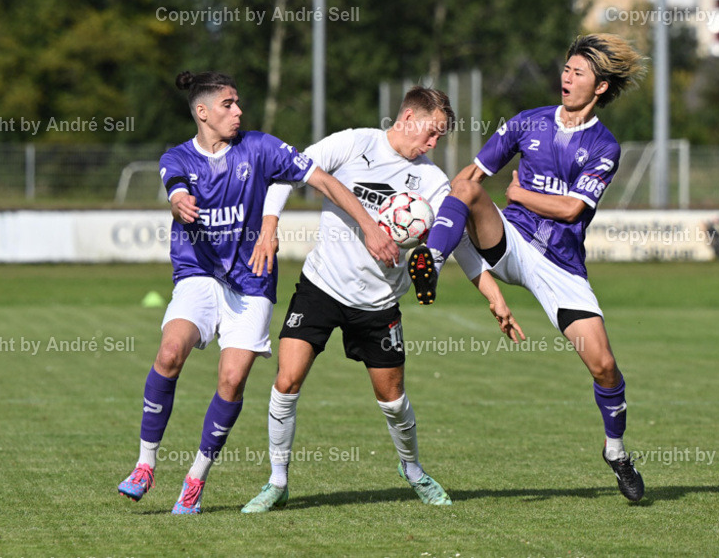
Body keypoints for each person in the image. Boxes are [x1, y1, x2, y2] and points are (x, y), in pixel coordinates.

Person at [116, 70, 399, 514]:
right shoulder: (177, 158)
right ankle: (145, 464)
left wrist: (368, 226)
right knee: (170, 353)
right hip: (199, 274)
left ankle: (195, 479)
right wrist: (177, 202)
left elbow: (322, 180)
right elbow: (175, 188)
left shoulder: (261, 147)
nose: (238, 111)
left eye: (239, 103)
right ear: (203, 112)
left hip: (252, 281)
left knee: (231, 380)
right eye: (229, 104)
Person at [240, 86, 524, 513]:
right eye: (431, 133)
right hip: (322, 286)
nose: (433, 144)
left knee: (392, 401)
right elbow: (288, 171)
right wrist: (268, 225)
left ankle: (412, 470)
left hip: (379, 304)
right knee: (287, 381)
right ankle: (277, 482)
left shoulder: (431, 181)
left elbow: (462, 244)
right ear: (407, 117)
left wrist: (494, 295)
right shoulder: (355, 142)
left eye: (440, 138)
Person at [407, 34, 647, 501]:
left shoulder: (604, 146)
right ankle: (430, 262)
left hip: (561, 267)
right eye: (566, 68)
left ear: (599, 87)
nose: (566, 77)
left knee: (604, 367)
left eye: (578, 73)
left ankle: (615, 452)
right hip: (510, 242)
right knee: (470, 191)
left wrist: (518, 194)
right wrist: (452, 221)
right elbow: (470, 179)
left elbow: (572, 210)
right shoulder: (526, 123)